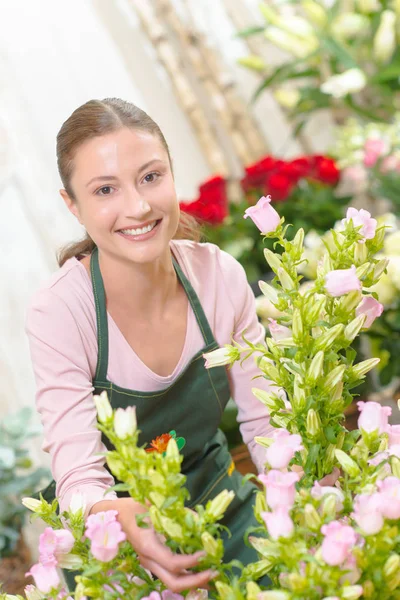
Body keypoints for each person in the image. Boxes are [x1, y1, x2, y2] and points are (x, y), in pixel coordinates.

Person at [25, 98, 276, 593]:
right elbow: (77, 476)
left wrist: (303, 501)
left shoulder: (216, 276)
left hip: (223, 505)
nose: (138, 206)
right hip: (117, 540)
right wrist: (116, 518)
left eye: (150, 177)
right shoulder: (61, 312)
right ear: (72, 205)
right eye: (104, 189)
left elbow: (267, 420)